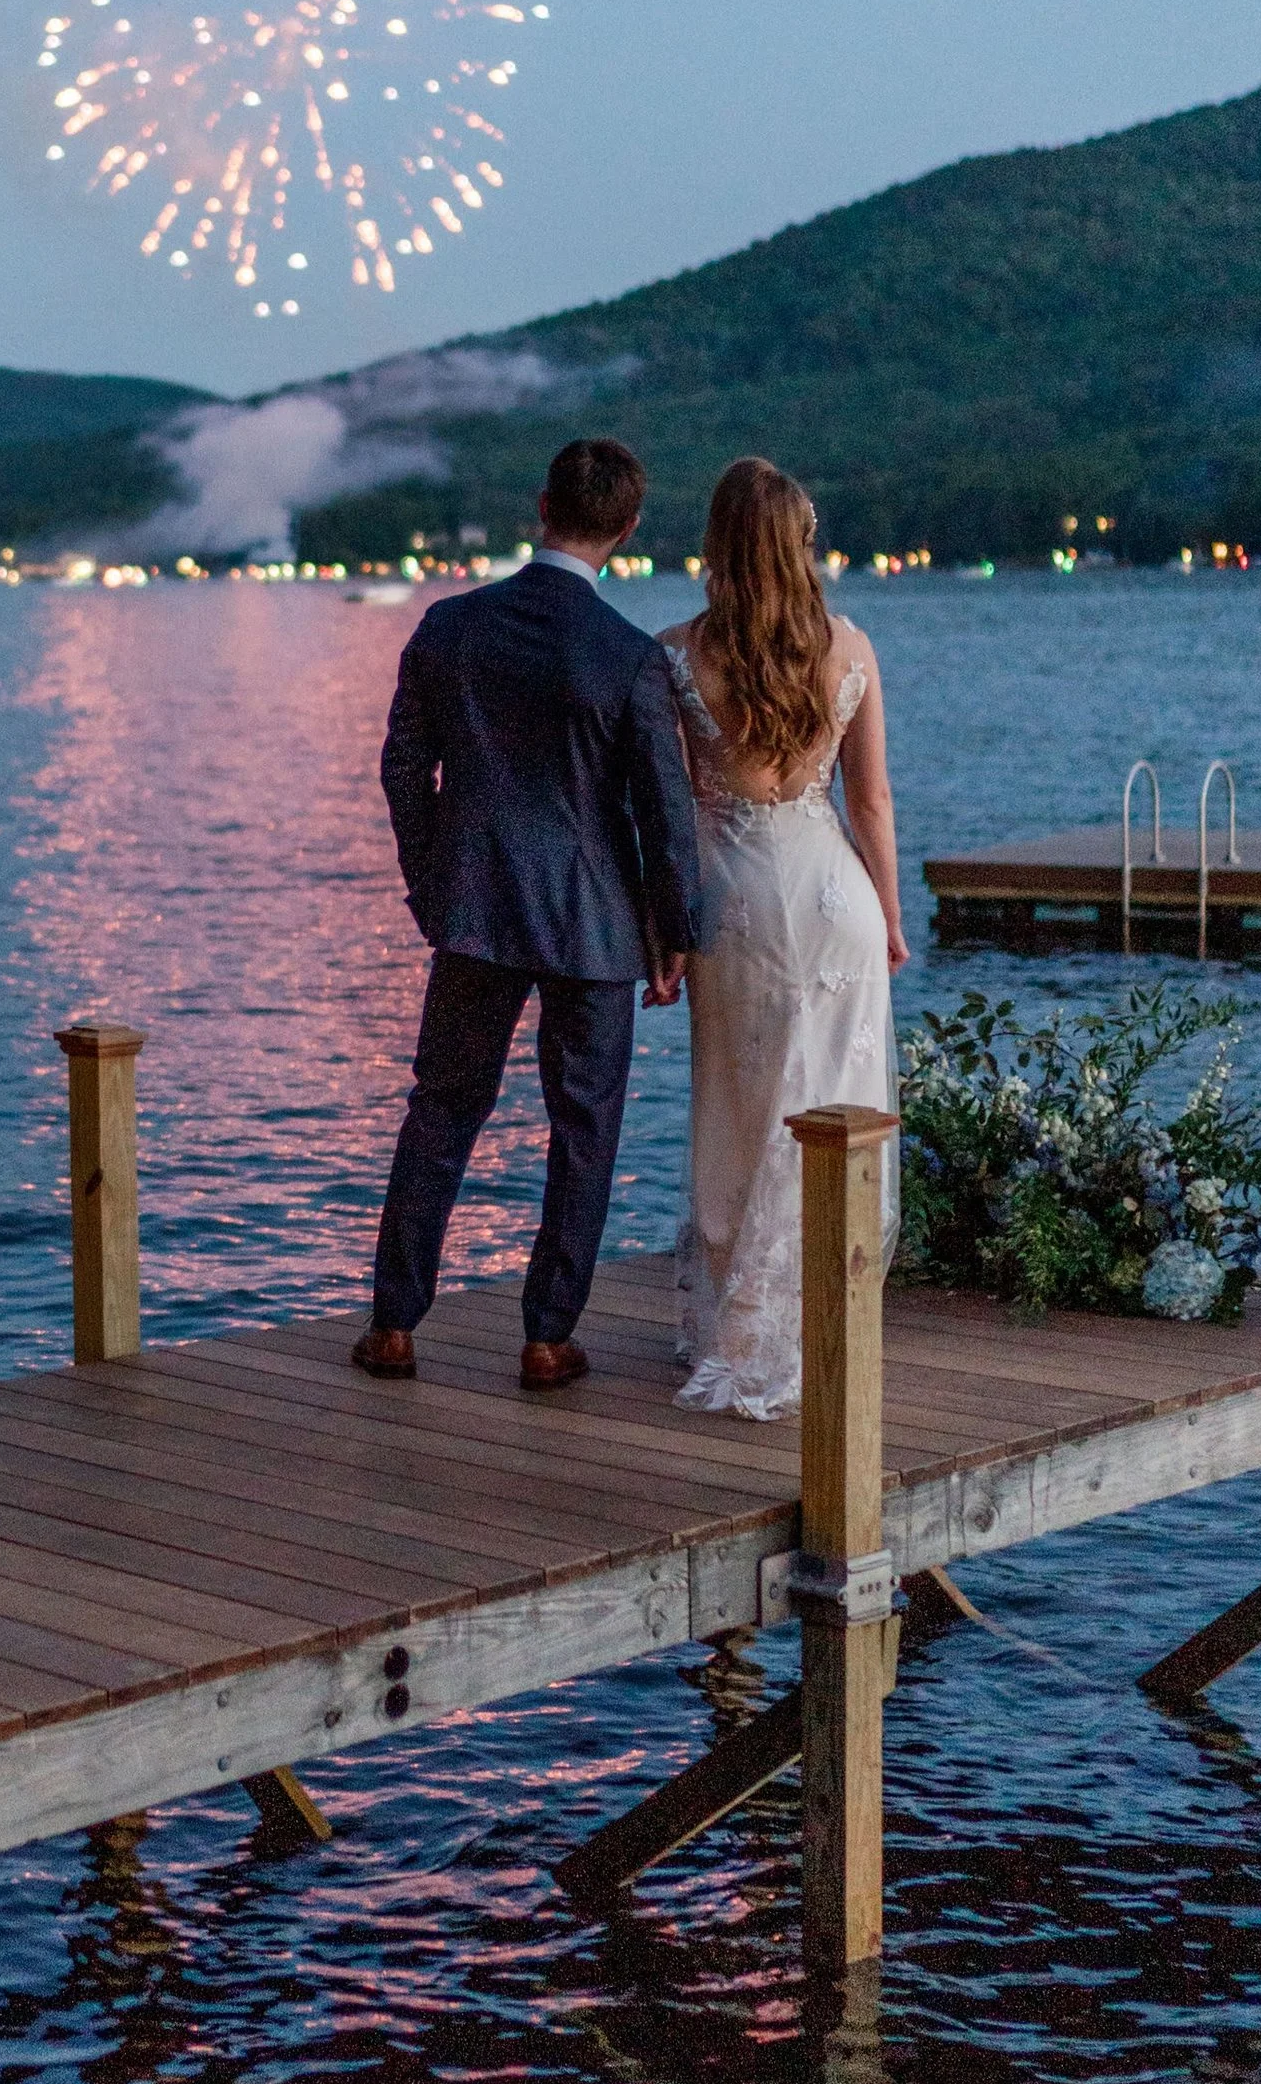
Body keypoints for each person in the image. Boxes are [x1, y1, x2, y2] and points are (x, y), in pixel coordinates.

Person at [356, 437, 706, 1392]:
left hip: (473, 914)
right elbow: (665, 816)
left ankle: (393, 1323)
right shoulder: (631, 658)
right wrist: (676, 934)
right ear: (627, 531)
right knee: (584, 1130)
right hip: (595, 925)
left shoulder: (449, 626)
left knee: (443, 1109)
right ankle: (547, 1337)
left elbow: (400, 768)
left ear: (539, 502)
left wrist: (433, 879)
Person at [660, 455, 907, 1417]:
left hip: (736, 905)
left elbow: (679, 812)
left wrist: (669, 930)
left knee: (742, 1107)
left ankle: (746, 1327)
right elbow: (873, 802)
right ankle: (823, 1319)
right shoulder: (850, 648)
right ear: (799, 541)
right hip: (836, 899)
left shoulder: (677, 654)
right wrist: (888, 915)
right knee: (834, 1110)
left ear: (719, 545)